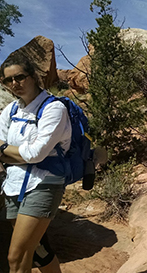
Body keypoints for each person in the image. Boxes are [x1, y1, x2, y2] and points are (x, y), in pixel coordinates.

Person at [0, 54, 71, 273]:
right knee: (38, 249)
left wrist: (5, 150)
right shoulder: (10, 111)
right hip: (13, 185)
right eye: (7, 80)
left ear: (33, 77)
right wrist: (17, 153)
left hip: (43, 184)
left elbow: (37, 154)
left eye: (20, 77)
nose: (14, 84)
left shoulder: (53, 109)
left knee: (16, 256)